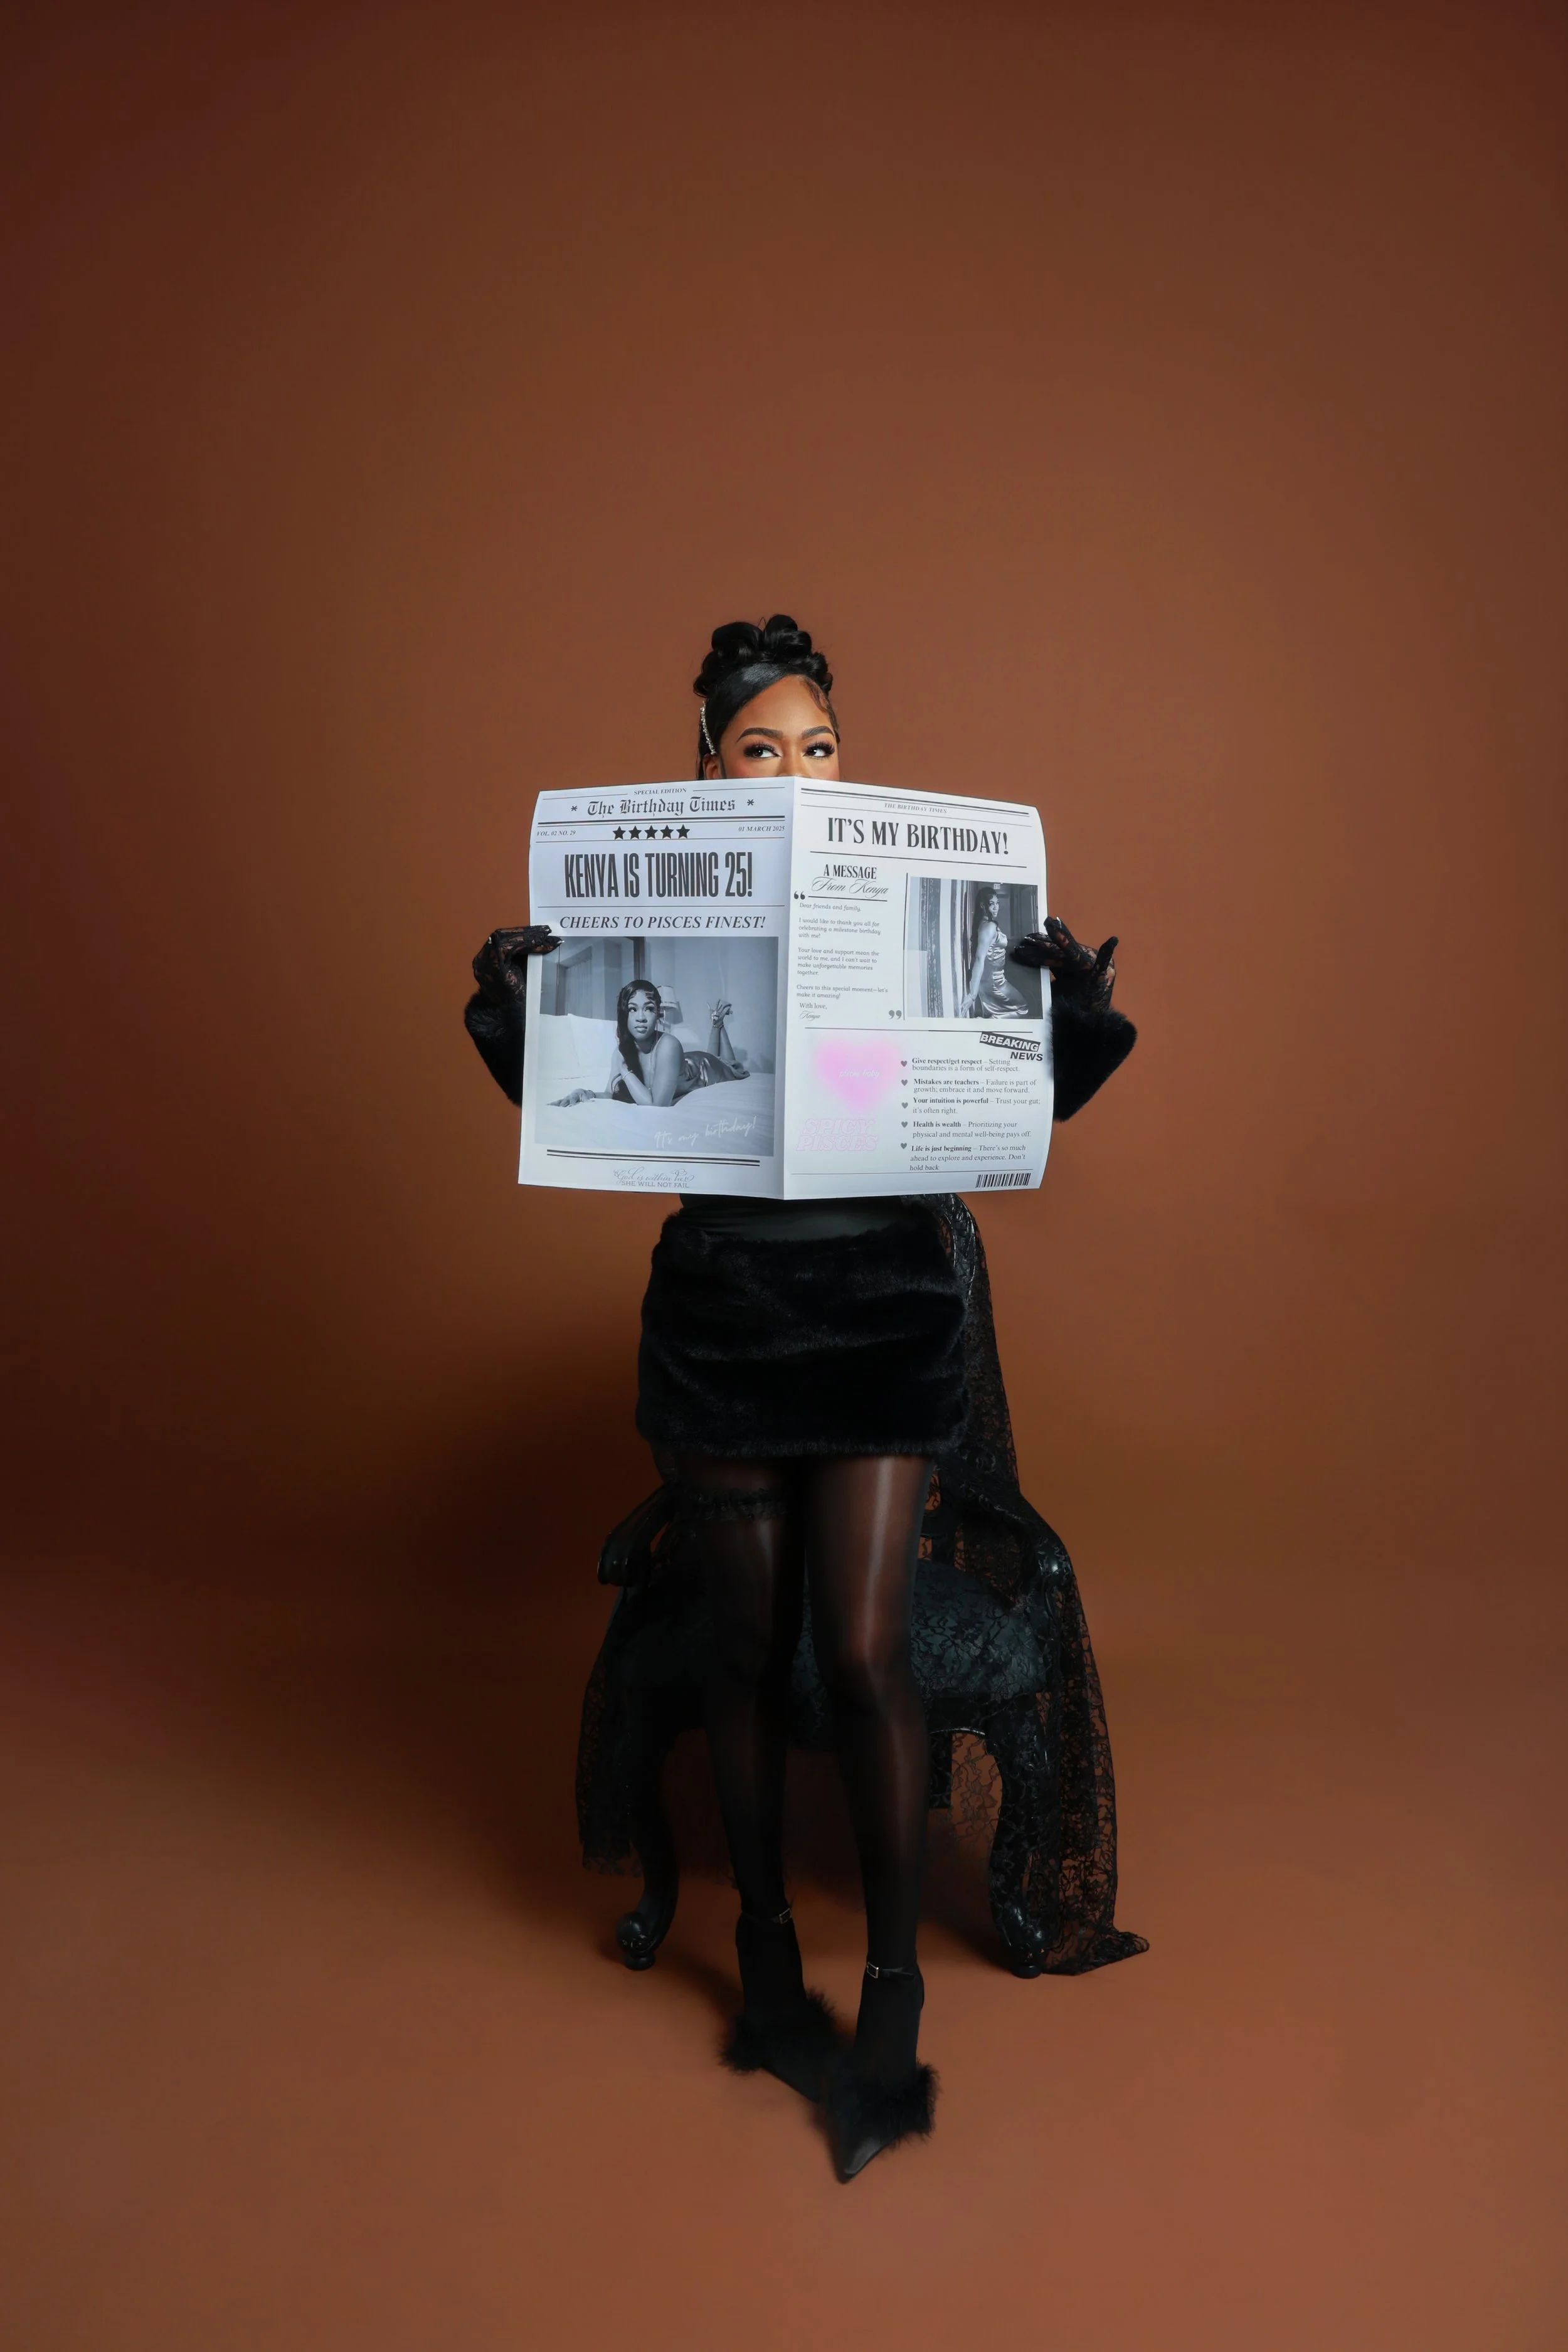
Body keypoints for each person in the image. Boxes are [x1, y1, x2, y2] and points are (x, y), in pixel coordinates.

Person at [464, 615, 1142, 2181]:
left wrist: (1072, 1024)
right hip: (723, 1311)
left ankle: (891, 1982)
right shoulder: (671, 887)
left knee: (864, 1641)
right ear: (707, 765)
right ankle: (767, 1961)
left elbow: (1003, 1111)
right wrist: (512, 1020)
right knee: (749, 1653)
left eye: (819, 745)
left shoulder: (890, 891)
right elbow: (588, 1116)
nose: (794, 769)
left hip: (886, 1304)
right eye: (761, 747)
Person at [551, 978, 746, 1108]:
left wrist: (624, 1070)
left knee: (729, 1066)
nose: (641, 1017)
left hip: (703, 1069)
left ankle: (718, 1025)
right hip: (680, 1066)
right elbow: (612, 1094)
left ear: (658, 1014)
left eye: (649, 1009)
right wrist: (586, 1092)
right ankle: (717, 1024)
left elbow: (657, 1106)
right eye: (633, 1010)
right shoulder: (621, 1053)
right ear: (624, 1014)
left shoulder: (669, 1044)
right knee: (717, 1059)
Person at [961, 884, 1034, 1019]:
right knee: (1023, 1008)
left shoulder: (985, 923)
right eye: (991, 904)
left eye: (997, 903)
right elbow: (979, 959)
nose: (996, 908)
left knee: (1013, 1008)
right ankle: (989, 1022)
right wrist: (972, 995)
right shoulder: (989, 927)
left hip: (993, 979)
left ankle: (991, 1020)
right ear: (983, 905)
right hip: (995, 981)